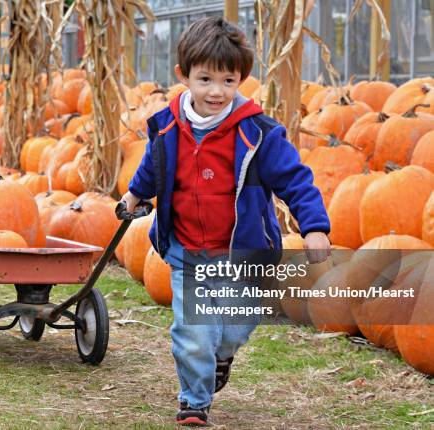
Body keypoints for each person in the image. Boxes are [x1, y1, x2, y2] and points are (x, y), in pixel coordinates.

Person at [121, 17, 331, 426]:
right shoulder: (168, 128)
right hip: (189, 252)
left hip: (242, 254)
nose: (216, 91)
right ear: (184, 76)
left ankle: (222, 356)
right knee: (193, 334)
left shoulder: (259, 134)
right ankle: (194, 403)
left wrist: (315, 226)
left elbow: (295, 180)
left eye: (228, 80)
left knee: (233, 328)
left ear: (241, 79)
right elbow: (153, 169)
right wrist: (134, 195)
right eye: (205, 79)